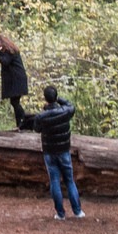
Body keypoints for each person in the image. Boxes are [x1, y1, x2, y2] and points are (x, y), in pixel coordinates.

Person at [32, 84, 85, 219]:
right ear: (56, 97)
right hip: (64, 151)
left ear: (45, 99)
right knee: (69, 180)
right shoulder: (66, 111)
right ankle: (78, 211)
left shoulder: (41, 116)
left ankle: (60, 214)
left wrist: (48, 106)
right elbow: (70, 104)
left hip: (49, 152)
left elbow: (37, 129)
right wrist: (57, 98)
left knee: (55, 181)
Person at [0, 34, 30, 130]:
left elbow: (5, 62)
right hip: (15, 79)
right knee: (14, 102)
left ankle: (24, 122)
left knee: (15, 102)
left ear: (2, 43)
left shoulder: (10, 52)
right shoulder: (10, 51)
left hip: (17, 80)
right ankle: (20, 125)